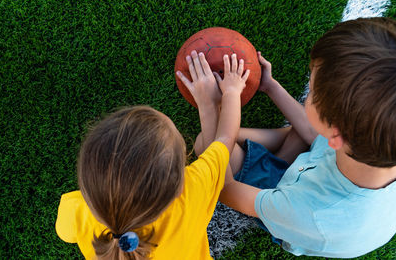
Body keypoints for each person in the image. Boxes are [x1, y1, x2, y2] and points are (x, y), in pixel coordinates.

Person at [196, 17, 396, 258]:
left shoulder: (306, 211)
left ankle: (274, 153)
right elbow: (314, 135)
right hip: (321, 174)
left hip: (293, 207)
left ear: (336, 135)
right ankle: (280, 151)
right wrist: (271, 87)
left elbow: (225, 189)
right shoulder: (374, 140)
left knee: (203, 143)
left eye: (312, 93)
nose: (307, 95)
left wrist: (213, 105)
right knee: (301, 133)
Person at [55, 51, 250, 259]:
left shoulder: (77, 212)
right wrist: (226, 95)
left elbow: (64, 232)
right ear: (178, 187)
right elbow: (225, 140)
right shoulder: (192, 192)